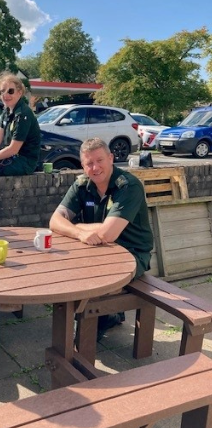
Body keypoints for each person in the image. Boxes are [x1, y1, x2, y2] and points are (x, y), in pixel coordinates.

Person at [49, 137, 153, 338]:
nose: (95, 167)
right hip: (97, 250)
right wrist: (80, 233)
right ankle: (93, 318)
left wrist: (74, 226)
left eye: (99, 160)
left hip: (132, 254)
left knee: (92, 283)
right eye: (89, 163)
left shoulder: (128, 186)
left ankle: (89, 330)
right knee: (61, 269)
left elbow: (108, 234)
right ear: (82, 165)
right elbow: (54, 221)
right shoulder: (81, 185)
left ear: (111, 158)